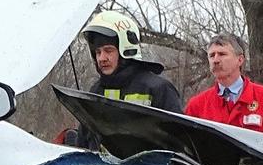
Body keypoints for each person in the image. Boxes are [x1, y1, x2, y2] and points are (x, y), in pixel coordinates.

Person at [60, 10, 181, 149]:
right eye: (98, 52)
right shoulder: (95, 92)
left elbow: (178, 146)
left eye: (108, 50)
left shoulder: (159, 89)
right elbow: (84, 145)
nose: (101, 58)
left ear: (127, 49)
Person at [183, 34, 263, 140]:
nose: (216, 60)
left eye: (222, 54)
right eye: (211, 55)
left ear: (240, 60)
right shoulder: (197, 106)